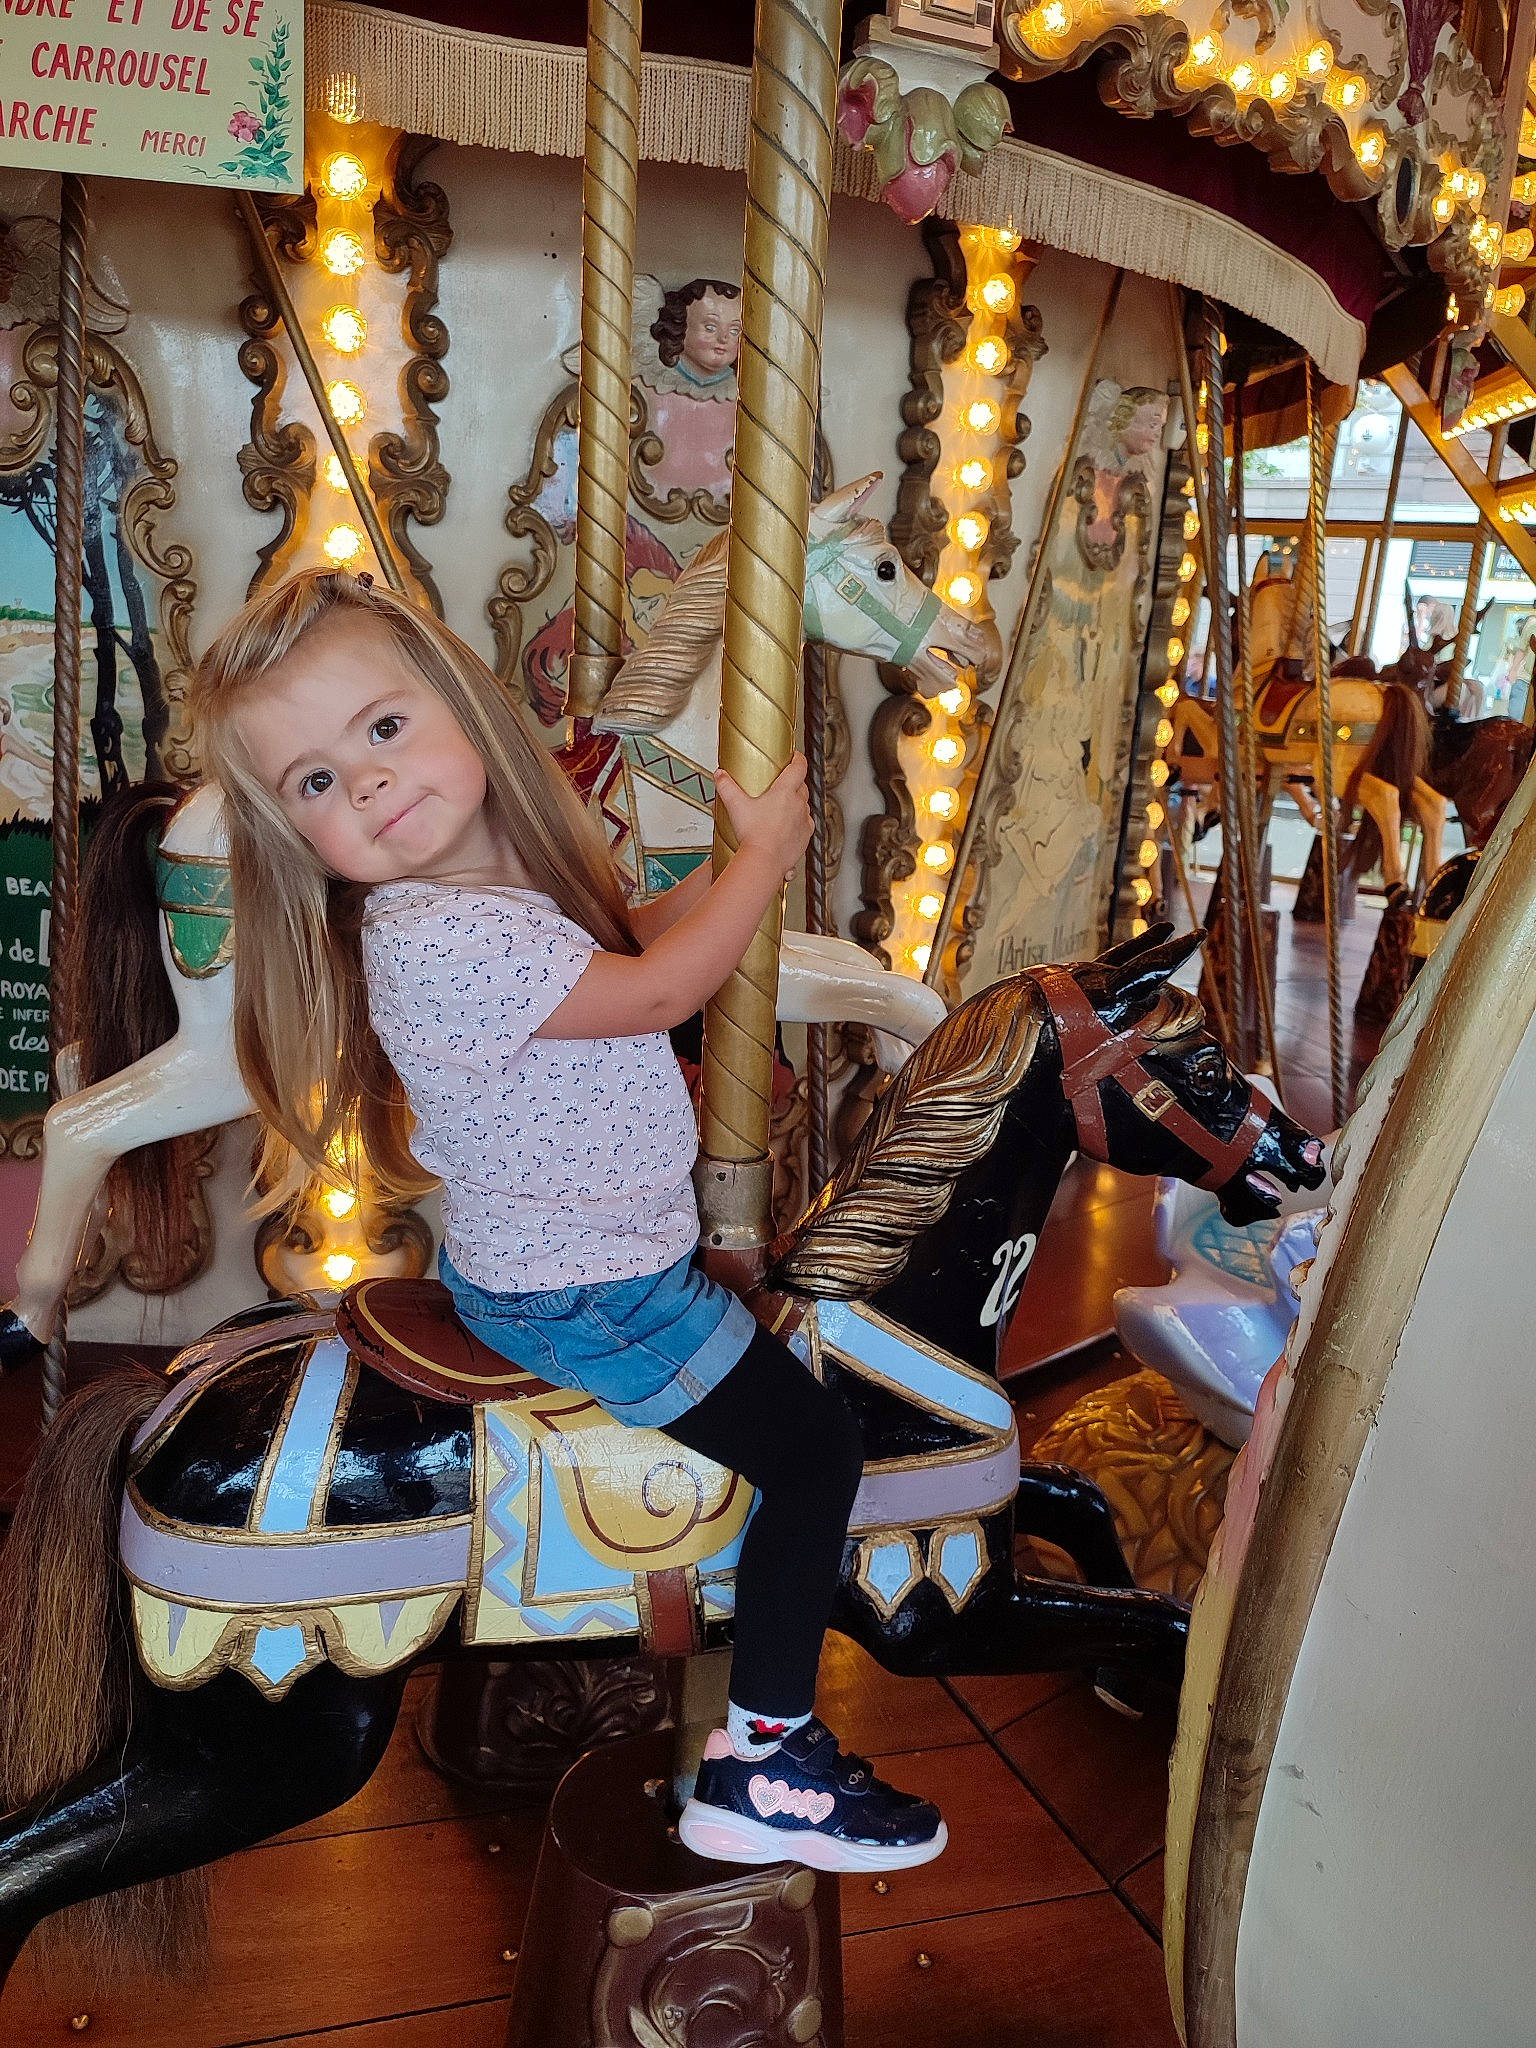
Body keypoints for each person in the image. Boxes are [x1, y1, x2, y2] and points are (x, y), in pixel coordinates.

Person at [188, 567, 947, 1875]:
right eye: (313, 783)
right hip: (588, 1290)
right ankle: (767, 1756)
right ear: (295, 834)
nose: (362, 783)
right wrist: (763, 860)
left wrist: (714, 883)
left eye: (380, 729)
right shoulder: (435, 937)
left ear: (465, 709)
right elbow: (657, 993)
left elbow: (626, 943)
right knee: (818, 1448)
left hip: (598, 1256)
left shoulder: (490, 899)